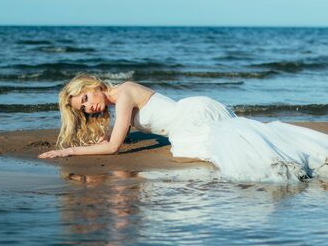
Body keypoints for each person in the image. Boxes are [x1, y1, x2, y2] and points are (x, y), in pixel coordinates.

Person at [38, 74, 328, 182]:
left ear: (92, 85)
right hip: (190, 112)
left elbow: (114, 147)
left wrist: (69, 152)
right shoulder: (119, 101)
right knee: (229, 140)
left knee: (216, 145)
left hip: (187, 118)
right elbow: (117, 137)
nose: (89, 107)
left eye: (86, 99)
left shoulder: (123, 93)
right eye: (84, 109)